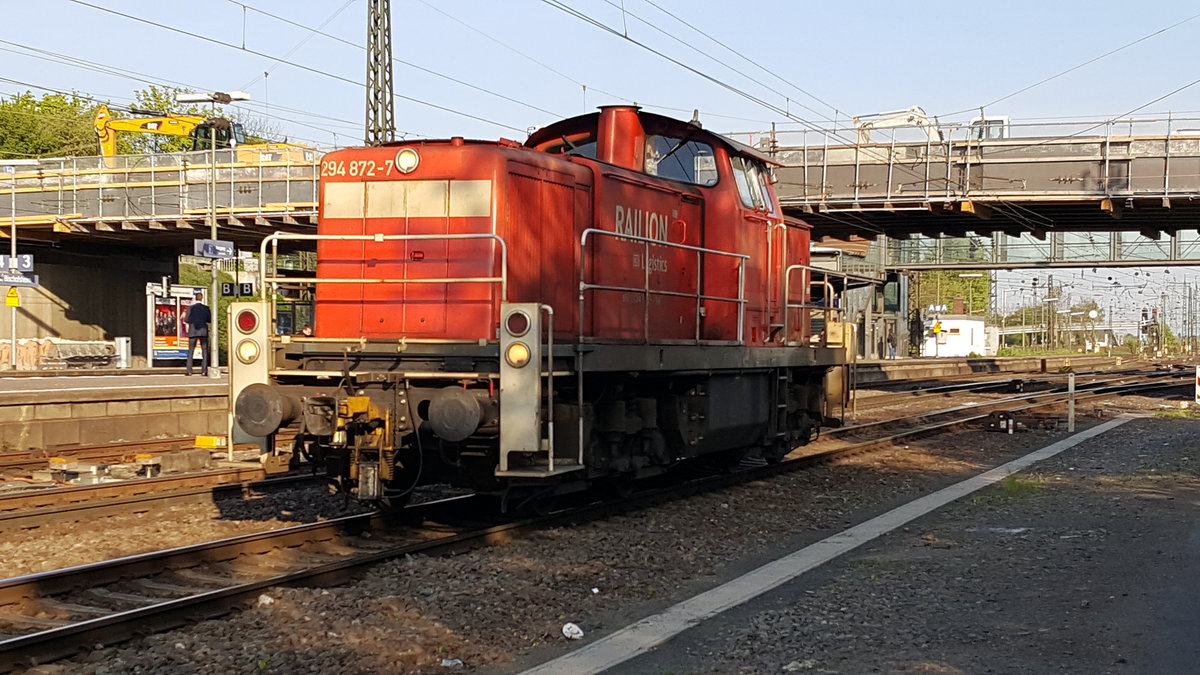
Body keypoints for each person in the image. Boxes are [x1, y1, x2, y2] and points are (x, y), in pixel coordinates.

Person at [183, 293, 211, 376]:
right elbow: (209, 320)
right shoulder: (206, 308)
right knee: (204, 351)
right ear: (201, 298)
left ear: (195, 298)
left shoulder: (190, 308)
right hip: (203, 331)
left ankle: (189, 371)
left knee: (190, 351)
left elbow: (187, 319)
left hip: (193, 331)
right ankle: (204, 371)